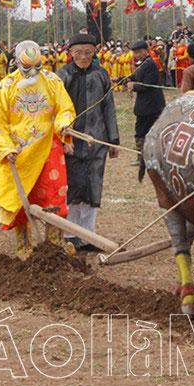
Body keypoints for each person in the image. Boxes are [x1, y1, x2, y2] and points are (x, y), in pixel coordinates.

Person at [0, 41, 77, 260]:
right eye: (28, 68)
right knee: (21, 197)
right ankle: (23, 245)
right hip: (20, 151)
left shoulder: (52, 81)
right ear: (16, 63)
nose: (33, 73)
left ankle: (56, 243)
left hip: (48, 148)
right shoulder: (6, 86)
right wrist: (6, 147)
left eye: (38, 67)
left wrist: (64, 124)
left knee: (55, 192)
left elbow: (65, 108)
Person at [56, 33, 119, 252]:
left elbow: (109, 108)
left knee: (93, 188)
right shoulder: (61, 76)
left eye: (88, 53)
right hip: (71, 142)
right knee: (75, 187)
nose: (83, 57)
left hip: (97, 141)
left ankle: (88, 235)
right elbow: (54, 111)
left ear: (95, 52)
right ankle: (71, 234)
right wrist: (63, 139)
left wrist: (113, 140)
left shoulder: (102, 75)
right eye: (79, 53)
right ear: (70, 53)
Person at [124, 40, 166, 172]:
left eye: (139, 52)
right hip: (146, 104)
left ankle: (144, 157)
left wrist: (133, 86)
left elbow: (147, 85)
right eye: (135, 53)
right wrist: (122, 80)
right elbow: (134, 77)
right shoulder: (143, 64)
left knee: (145, 130)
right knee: (143, 130)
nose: (137, 55)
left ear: (146, 51)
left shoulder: (151, 64)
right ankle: (143, 156)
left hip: (150, 104)